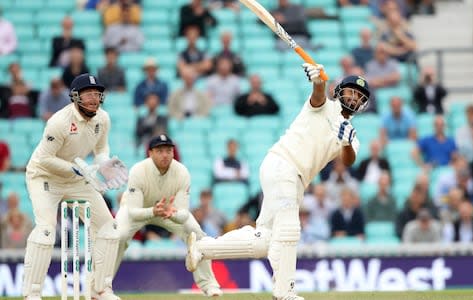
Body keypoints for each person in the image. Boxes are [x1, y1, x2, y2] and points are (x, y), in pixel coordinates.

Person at [185, 64, 371, 299]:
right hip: (283, 164)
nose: (353, 98)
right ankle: (285, 292)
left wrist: (345, 142)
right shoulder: (325, 106)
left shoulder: (351, 135)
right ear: (340, 90)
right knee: (290, 228)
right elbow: (318, 93)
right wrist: (318, 80)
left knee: (265, 240)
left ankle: (202, 247)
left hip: (294, 179)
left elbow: (349, 160)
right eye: (351, 91)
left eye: (359, 96)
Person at [22, 73, 128, 300]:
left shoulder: (103, 119)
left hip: (77, 177)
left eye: (96, 94)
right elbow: (45, 159)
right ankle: (32, 293)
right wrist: (77, 169)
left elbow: (101, 149)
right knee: (46, 231)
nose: (93, 99)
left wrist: (103, 163)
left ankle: (100, 290)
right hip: (44, 176)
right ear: (75, 97)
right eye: (87, 94)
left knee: (109, 227)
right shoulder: (58, 122)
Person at [113, 134, 223, 297]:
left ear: (173, 153)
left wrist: (171, 213)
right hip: (139, 210)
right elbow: (133, 212)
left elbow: (184, 214)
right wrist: (152, 211)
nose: (165, 154)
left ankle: (209, 285)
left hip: (167, 211)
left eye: (168, 150)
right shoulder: (138, 170)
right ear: (150, 153)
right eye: (160, 151)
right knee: (117, 236)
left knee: (196, 233)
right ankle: (102, 287)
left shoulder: (182, 172)